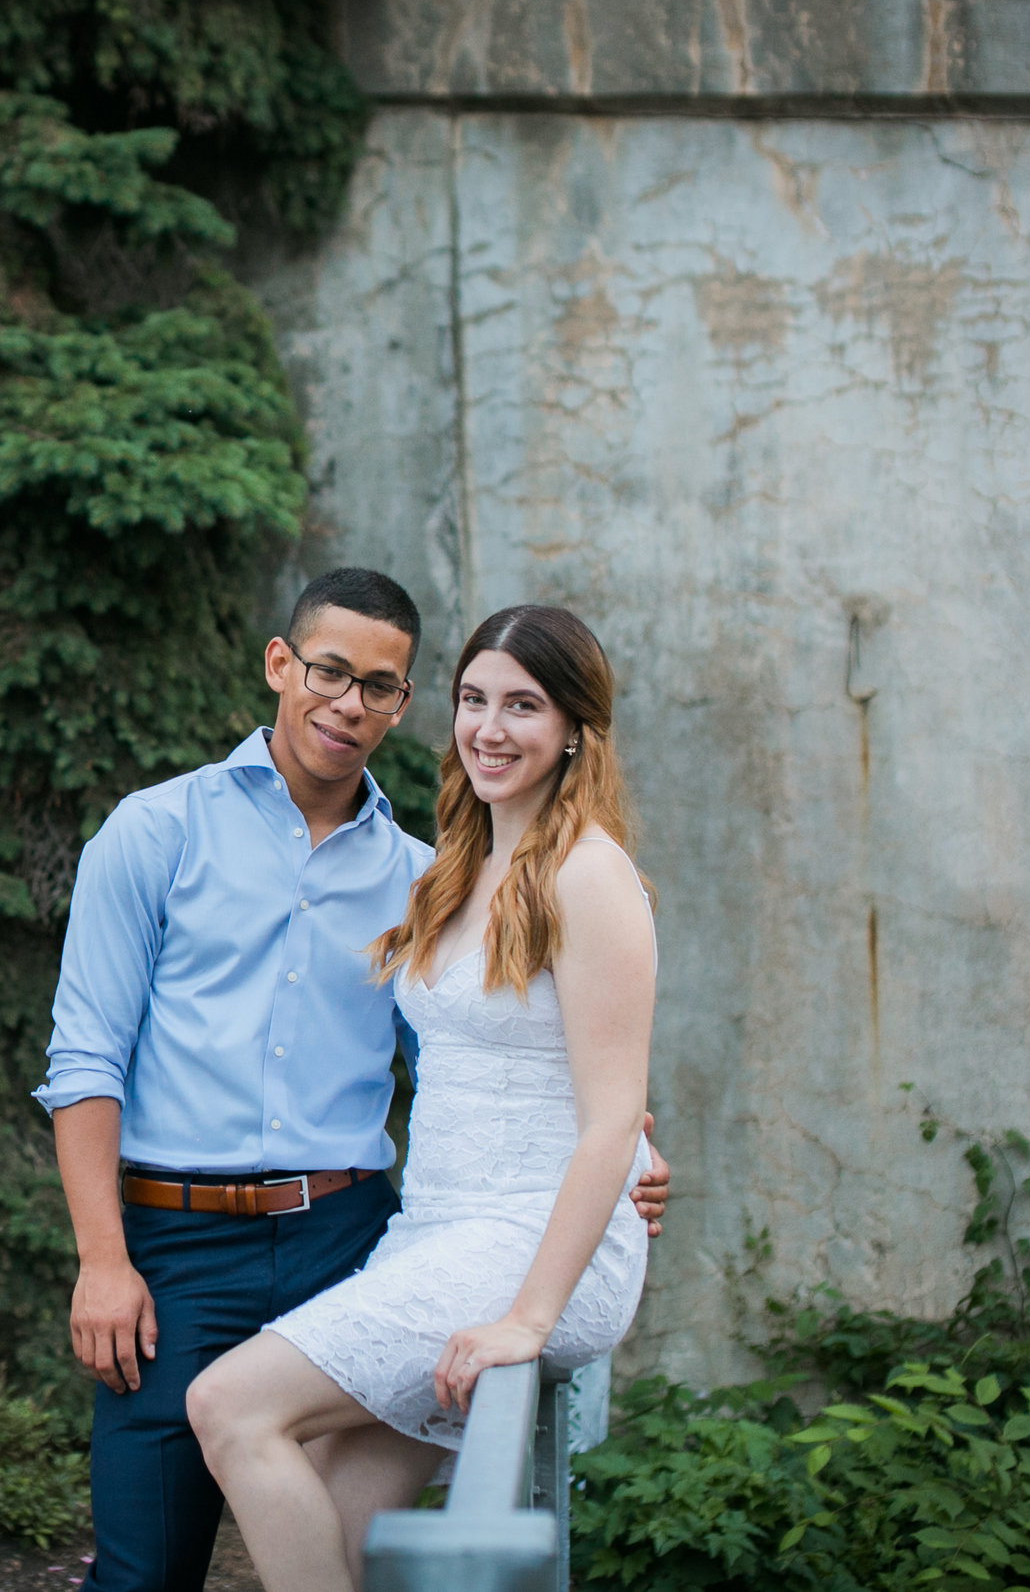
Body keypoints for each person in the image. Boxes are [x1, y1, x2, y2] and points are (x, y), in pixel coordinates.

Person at [36, 575, 669, 1592]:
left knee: (283, 1464)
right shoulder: (171, 834)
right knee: (166, 1565)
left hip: (358, 1229)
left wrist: (624, 1156)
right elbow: (84, 1060)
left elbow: (551, 1075)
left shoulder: (437, 872)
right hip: (189, 1243)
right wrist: (101, 1256)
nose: (347, 702)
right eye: (329, 671)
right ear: (281, 665)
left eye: (377, 684)